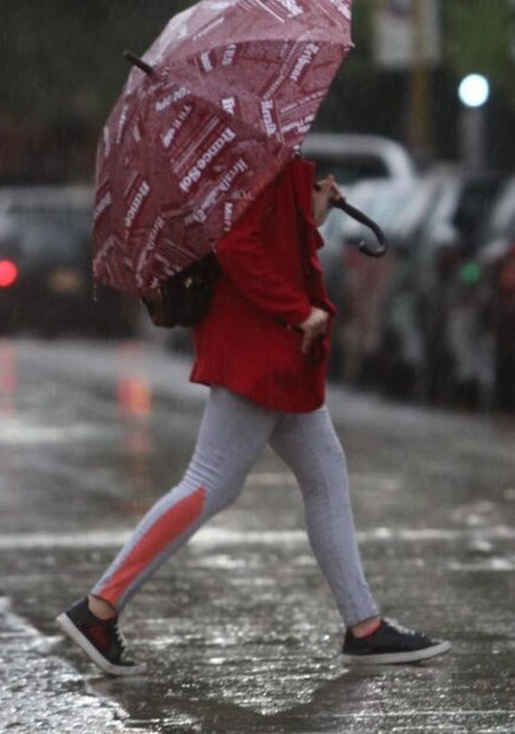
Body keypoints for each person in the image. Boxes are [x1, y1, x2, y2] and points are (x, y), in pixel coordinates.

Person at [56, 156, 450, 675]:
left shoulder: (263, 152)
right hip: (260, 349)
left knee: (324, 474)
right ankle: (99, 608)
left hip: (277, 351)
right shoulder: (250, 158)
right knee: (211, 482)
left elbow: (274, 243)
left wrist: (312, 211)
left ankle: (365, 627)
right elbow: (238, 245)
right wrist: (296, 310)